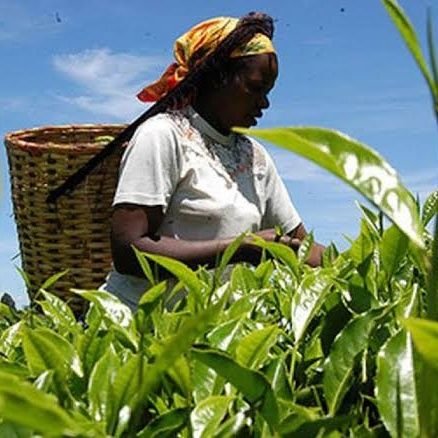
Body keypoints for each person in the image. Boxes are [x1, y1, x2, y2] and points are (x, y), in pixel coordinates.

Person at [101, 12, 325, 310]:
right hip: (137, 327)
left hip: (206, 329)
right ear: (216, 77)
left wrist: (372, 260)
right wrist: (238, 249)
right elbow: (129, 250)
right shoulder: (163, 135)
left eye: (268, 92)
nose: (265, 103)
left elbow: (300, 247)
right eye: (255, 88)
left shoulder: (255, 157)